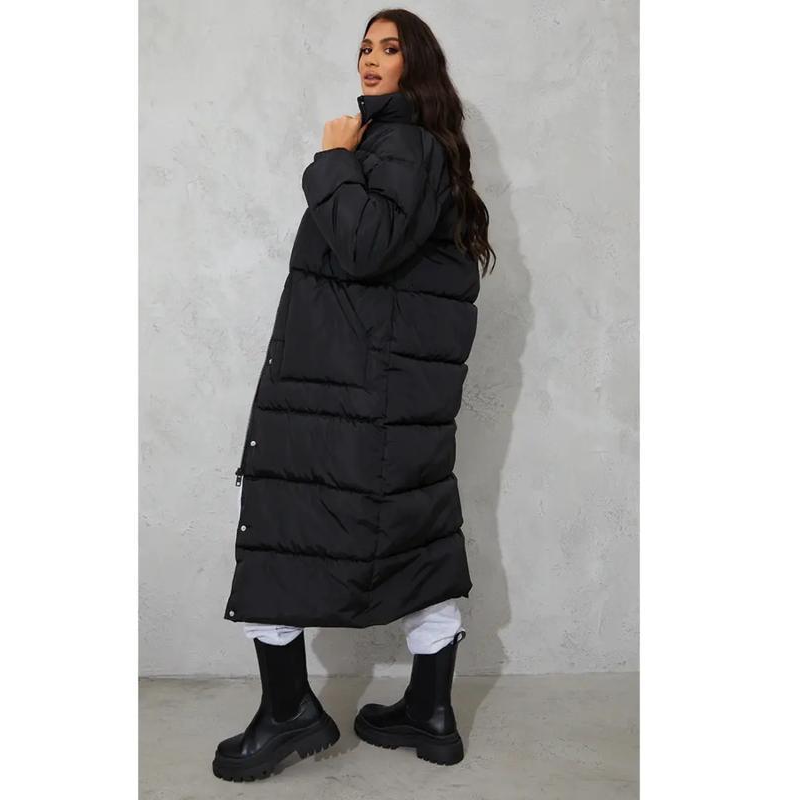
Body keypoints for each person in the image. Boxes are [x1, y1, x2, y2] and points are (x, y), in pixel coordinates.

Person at [213, 8, 496, 782]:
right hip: (382, 399)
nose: (371, 59)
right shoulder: (419, 147)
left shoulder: (395, 144)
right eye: (365, 47)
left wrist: (331, 159)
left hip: (352, 398)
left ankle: (288, 713)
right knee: (419, 542)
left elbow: (365, 245)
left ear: (416, 64)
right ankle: (430, 714)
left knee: (279, 533)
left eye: (389, 48)